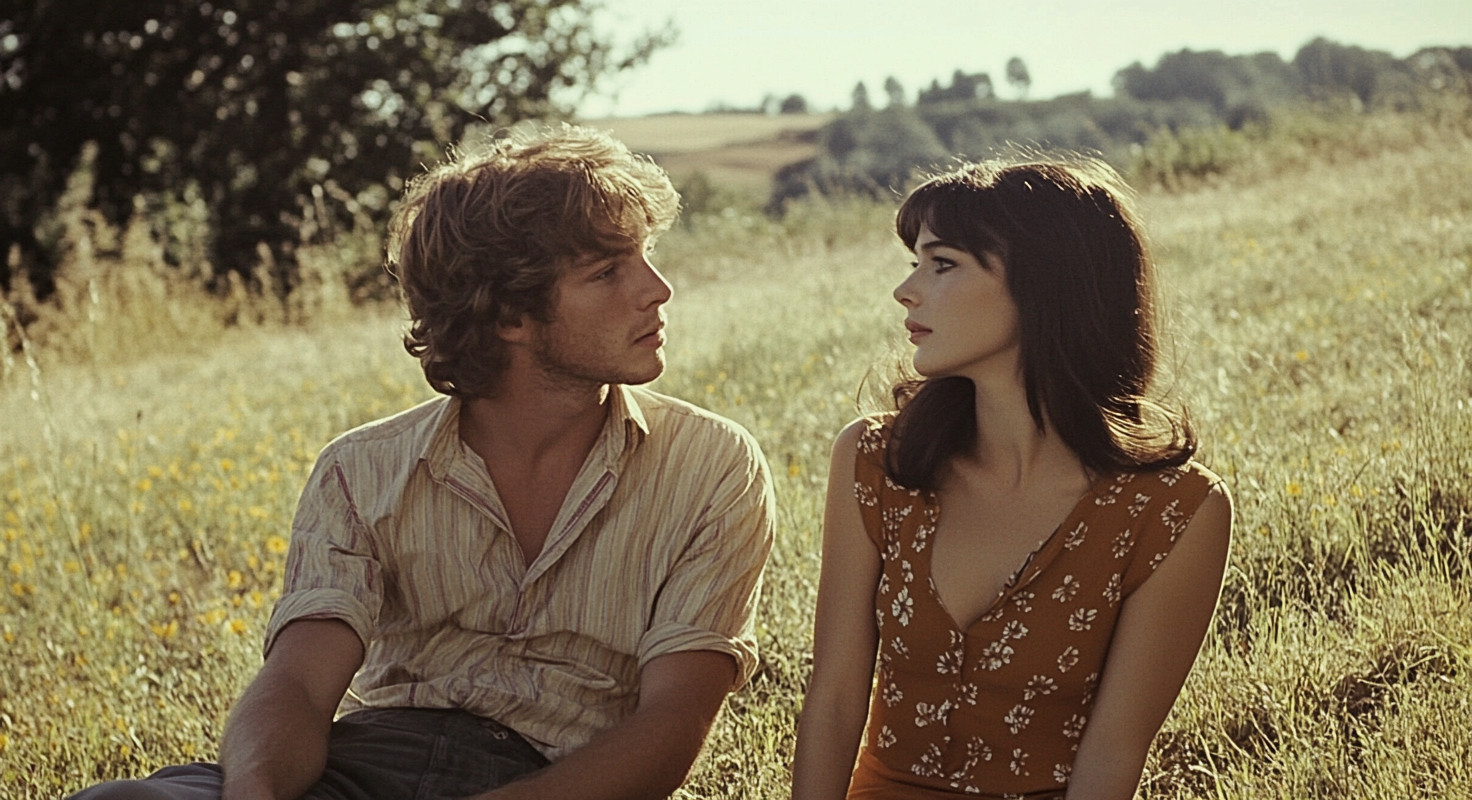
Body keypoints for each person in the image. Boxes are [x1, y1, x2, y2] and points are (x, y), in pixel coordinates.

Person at [70, 124, 774, 800]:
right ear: (509, 318)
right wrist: (253, 794)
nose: (658, 288)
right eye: (607, 271)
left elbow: (671, 729)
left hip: (565, 782)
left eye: (646, 255)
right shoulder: (361, 471)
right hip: (367, 764)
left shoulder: (711, 467)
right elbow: (298, 686)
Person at [790, 156, 1233, 800]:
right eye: (914, 262)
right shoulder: (875, 460)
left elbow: (1113, 755)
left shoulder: (1175, 510)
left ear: (1044, 283)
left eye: (942, 264)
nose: (906, 291)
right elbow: (831, 700)